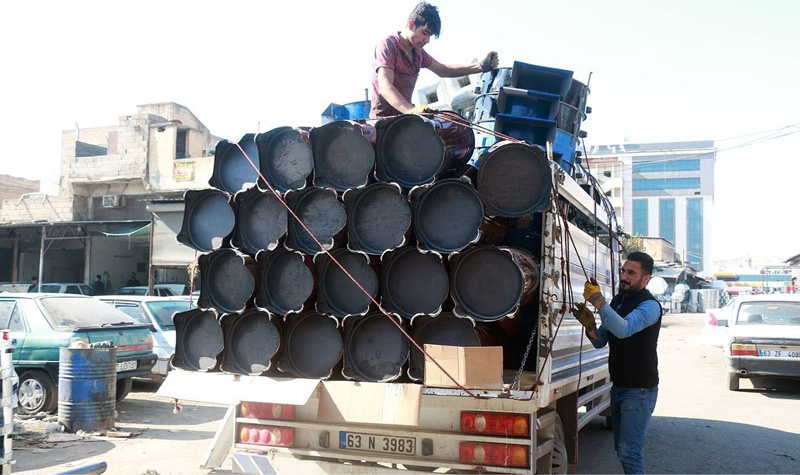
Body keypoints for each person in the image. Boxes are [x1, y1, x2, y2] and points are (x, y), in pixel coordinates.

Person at [572, 251, 662, 474]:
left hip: (639, 391)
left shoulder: (650, 306)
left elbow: (623, 330)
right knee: (621, 450)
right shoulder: (619, 301)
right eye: (623, 270)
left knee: (629, 452)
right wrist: (590, 326)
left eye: (631, 273)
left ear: (645, 279)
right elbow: (601, 340)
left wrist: (598, 302)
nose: (624, 276)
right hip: (620, 387)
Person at [370, 2, 499, 118]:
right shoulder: (388, 45)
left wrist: (481, 66)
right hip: (382, 120)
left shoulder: (419, 54)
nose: (427, 40)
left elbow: (444, 70)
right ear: (411, 24)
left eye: (430, 36)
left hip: (402, 120)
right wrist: (411, 111)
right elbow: (385, 86)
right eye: (425, 33)